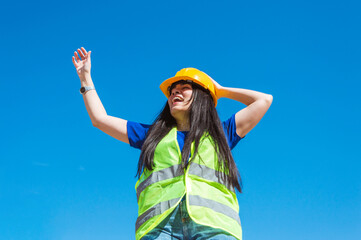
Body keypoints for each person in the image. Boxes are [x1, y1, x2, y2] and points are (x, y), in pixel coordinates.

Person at [72, 47, 273, 240]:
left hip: (214, 226)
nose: (175, 93)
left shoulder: (222, 134)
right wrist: (85, 79)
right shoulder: (151, 135)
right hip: (160, 226)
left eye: (184, 88)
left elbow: (263, 100)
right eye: (173, 91)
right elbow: (100, 119)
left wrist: (219, 90)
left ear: (202, 98)